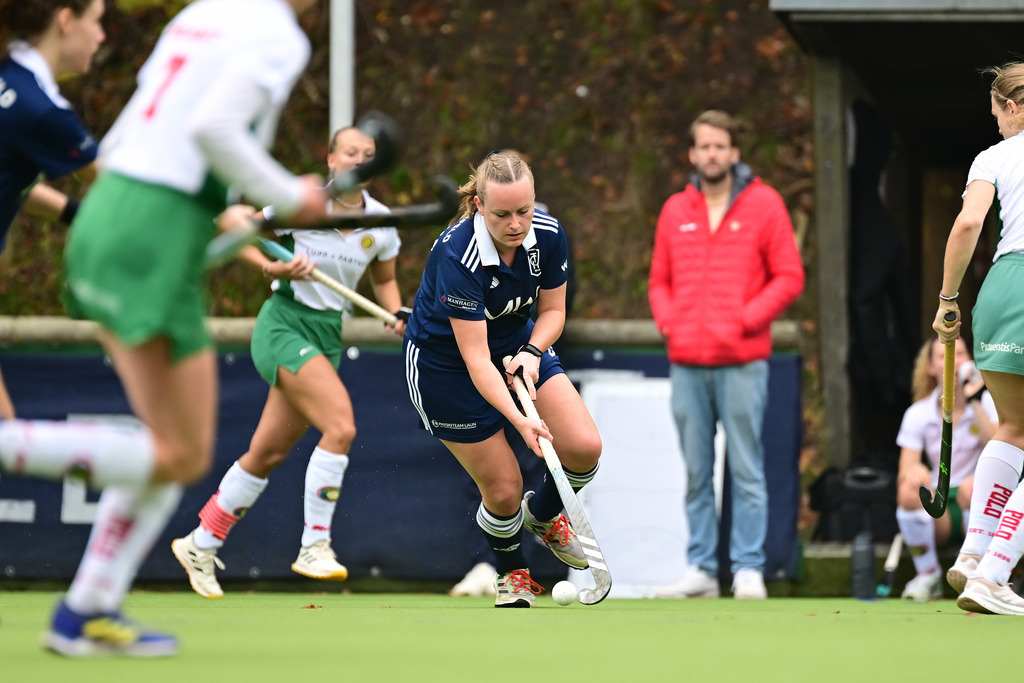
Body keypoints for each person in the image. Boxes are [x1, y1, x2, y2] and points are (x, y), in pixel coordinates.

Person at [0, 0, 329, 656]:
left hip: (111, 217)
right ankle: (86, 606)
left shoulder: (203, 12)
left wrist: (226, 208)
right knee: (180, 454)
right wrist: (291, 196)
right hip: (151, 231)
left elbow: (142, 135)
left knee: (168, 448)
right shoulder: (277, 34)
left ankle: (86, 610)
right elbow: (214, 129)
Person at [172, 126, 407, 598]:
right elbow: (231, 224)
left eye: (368, 155)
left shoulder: (382, 222)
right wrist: (271, 266)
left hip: (327, 335)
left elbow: (384, 282)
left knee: (267, 453)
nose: (358, 161)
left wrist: (396, 311)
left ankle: (201, 542)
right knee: (340, 427)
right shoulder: (300, 204)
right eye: (350, 152)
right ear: (332, 159)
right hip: (284, 324)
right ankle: (314, 546)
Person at [403, 150, 602, 608]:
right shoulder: (458, 254)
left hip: (516, 341)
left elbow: (553, 311)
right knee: (504, 486)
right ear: (478, 205)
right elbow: (475, 361)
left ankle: (546, 514)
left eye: (524, 210)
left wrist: (533, 353)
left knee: (583, 447)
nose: (516, 223)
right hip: (444, 367)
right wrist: (519, 419)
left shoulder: (549, 236)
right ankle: (513, 574)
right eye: (502, 213)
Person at [648, 110, 804, 600]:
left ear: (735, 152)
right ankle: (701, 568)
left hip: (742, 360)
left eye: (720, 146)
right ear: (692, 154)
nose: (712, 154)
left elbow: (789, 277)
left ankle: (748, 568)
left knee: (746, 467)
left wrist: (745, 319)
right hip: (687, 362)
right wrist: (669, 322)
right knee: (696, 471)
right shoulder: (675, 209)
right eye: (704, 146)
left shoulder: (765, 204)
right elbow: (658, 281)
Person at [934, 61, 1024, 616]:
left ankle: (973, 553)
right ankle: (994, 574)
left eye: (997, 114)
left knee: (1014, 426)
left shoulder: (992, 158)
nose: (995, 125)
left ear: (1013, 106)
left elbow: (969, 224)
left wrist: (948, 300)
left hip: (1000, 288)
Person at [0, 0, 105, 420]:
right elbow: (122, 192)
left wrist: (71, 213)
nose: (100, 36)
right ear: (65, 21)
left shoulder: (12, 82)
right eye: (96, 22)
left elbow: (12, 177)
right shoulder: (41, 110)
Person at [895, 337, 996, 601]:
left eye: (959, 353)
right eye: (944, 356)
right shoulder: (917, 413)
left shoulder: (988, 405)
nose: (953, 361)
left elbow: (999, 446)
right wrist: (914, 472)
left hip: (974, 500)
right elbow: (906, 469)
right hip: (939, 509)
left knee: (971, 488)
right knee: (908, 492)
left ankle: (980, 577)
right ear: (930, 367)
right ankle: (927, 575)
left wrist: (975, 400)